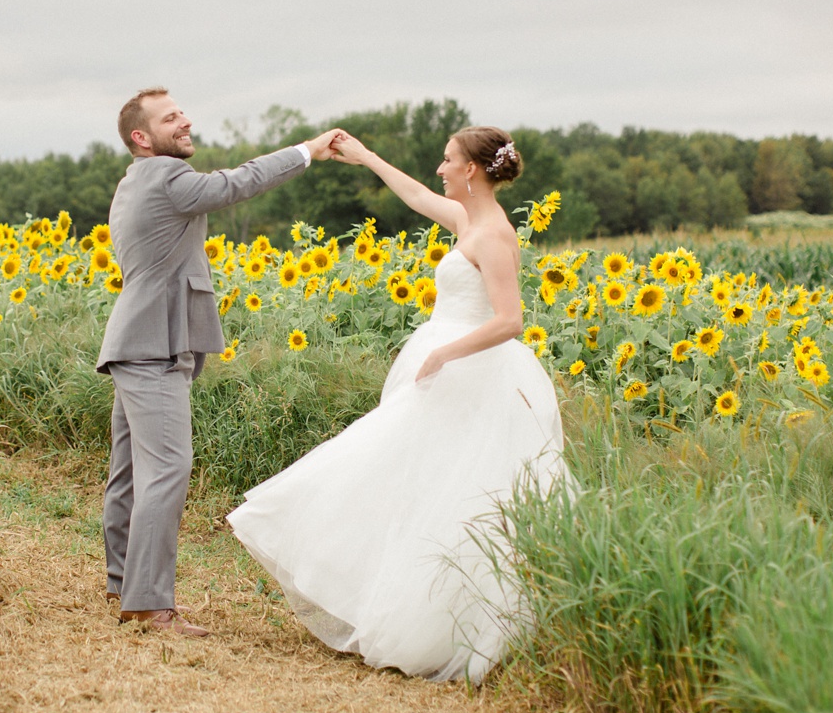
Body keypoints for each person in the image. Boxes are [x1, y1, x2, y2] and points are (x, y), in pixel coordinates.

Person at [227, 126, 568, 681]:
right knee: (426, 483)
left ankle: (458, 625)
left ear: (472, 171)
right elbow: (414, 194)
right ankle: (411, 606)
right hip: (450, 370)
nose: (440, 168)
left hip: (474, 374)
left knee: (451, 484)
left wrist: (446, 354)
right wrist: (364, 158)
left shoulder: (493, 236)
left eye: (448, 160)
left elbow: (510, 320)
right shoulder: (469, 221)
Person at [96, 87, 345, 637]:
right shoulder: (165, 178)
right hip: (154, 346)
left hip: (137, 341)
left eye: (182, 112)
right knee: (167, 469)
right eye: (171, 118)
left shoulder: (133, 182)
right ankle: (149, 604)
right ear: (142, 137)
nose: (185, 121)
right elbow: (239, 182)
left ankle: (123, 582)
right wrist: (308, 150)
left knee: (132, 473)